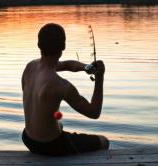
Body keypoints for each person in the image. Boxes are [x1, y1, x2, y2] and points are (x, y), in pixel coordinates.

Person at [21, 23, 109, 156]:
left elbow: (67, 65)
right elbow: (94, 112)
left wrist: (86, 67)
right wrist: (100, 77)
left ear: (39, 45)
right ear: (63, 47)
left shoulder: (30, 67)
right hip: (50, 145)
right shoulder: (61, 86)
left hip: (27, 138)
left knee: (60, 124)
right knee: (104, 142)